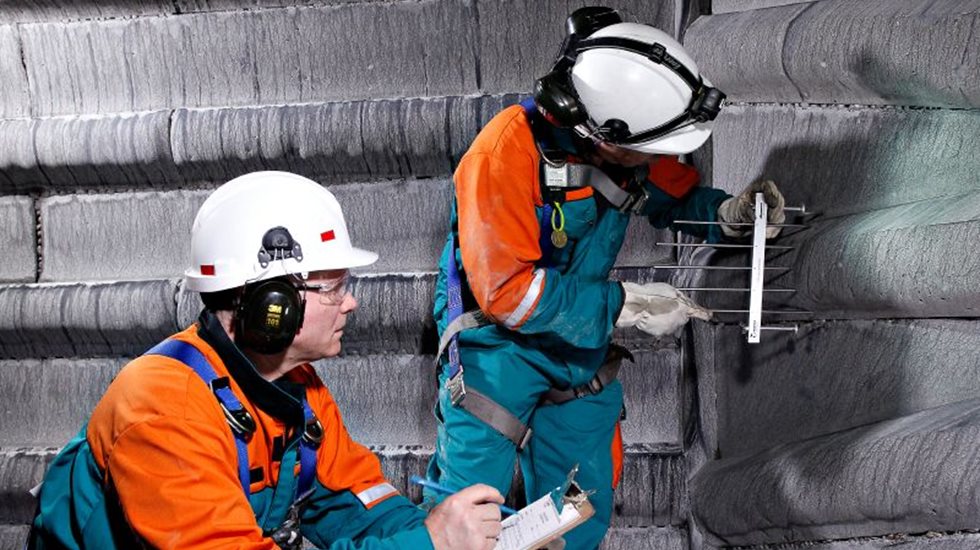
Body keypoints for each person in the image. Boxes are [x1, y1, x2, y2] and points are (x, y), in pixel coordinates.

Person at [423, 7, 786, 549]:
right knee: (468, 515)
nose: (658, 159)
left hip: (575, 342)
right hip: (493, 346)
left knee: (575, 507)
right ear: (606, 137)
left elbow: (678, 196)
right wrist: (624, 304)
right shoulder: (502, 156)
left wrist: (729, 215)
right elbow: (508, 295)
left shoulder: (623, 142)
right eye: (650, 150)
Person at [29, 171, 503, 550]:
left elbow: (357, 504)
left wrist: (463, 537)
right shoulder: (162, 409)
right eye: (334, 286)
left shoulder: (297, 389)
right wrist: (429, 543)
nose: (351, 302)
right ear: (273, 304)